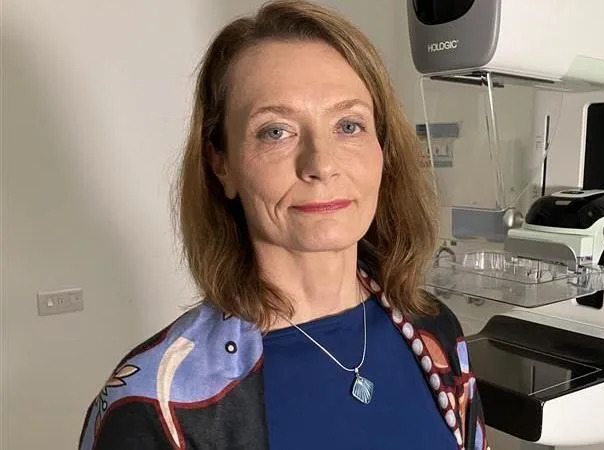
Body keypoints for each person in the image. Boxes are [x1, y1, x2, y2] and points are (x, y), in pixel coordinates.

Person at [78, 1, 488, 449]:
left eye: (349, 125)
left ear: (382, 150)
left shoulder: (436, 331)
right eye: (276, 131)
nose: (321, 164)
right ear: (222, 165)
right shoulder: (150, 405)